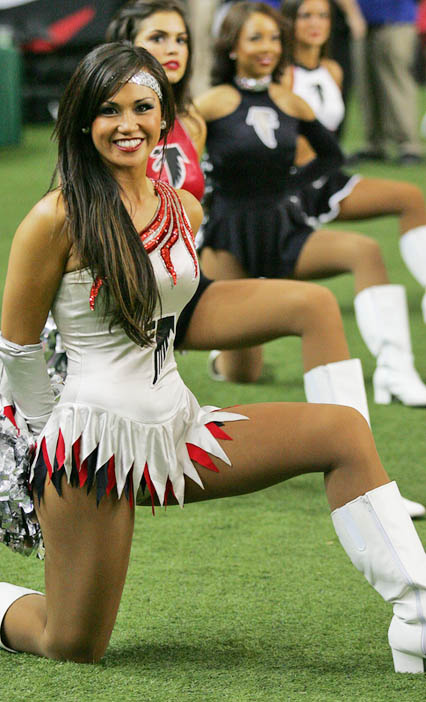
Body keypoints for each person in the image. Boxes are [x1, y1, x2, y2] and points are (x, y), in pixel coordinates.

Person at [0, 41, 426, 673]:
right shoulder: (54, 218)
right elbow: (18, 351)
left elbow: (178, 308)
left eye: (142, 107)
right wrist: (48, 446)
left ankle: (418, 617)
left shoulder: (183, 206)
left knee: (342, 431)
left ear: (165, 118)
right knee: (73, 643)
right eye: (108, 110)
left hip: (180, 428)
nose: (126, 124)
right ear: (84, 120)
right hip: (91, 448)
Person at [105, 0, 424, 517]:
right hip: (125, 305)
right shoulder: (113, 116)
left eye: (181, 39)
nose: (172, 49)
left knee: (315, 306)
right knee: (237, 375)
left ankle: (368, 474)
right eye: (158, 37)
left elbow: (202, 194)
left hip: (189, 285)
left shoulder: (188, 117)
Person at [195, 1, 426, 409]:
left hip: (284, 229)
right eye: (255, 38)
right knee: (243, 371)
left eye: (273, 38)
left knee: (365, 250)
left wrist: (291, 185)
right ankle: (223, 357)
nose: (267, 47)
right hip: (229, 239)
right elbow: (181, 166)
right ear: (231, 47)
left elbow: (331, 156)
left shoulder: (290, 102)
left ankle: (397, 372)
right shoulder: (211, 103)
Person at [280, 0, 426, 329]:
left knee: (411, 197)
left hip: (327, 180)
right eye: (306, 16)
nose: (315, 23)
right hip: (290, 189)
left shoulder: (333, 70)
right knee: (273, 285)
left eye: (322, 16)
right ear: (289, 23)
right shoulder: (281, 74)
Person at [350, 0, 423, 165]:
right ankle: (375, 144)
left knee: (396, 85)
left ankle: (408, 145)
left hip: (396, 21)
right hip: (363, 20)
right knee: (366, 87)